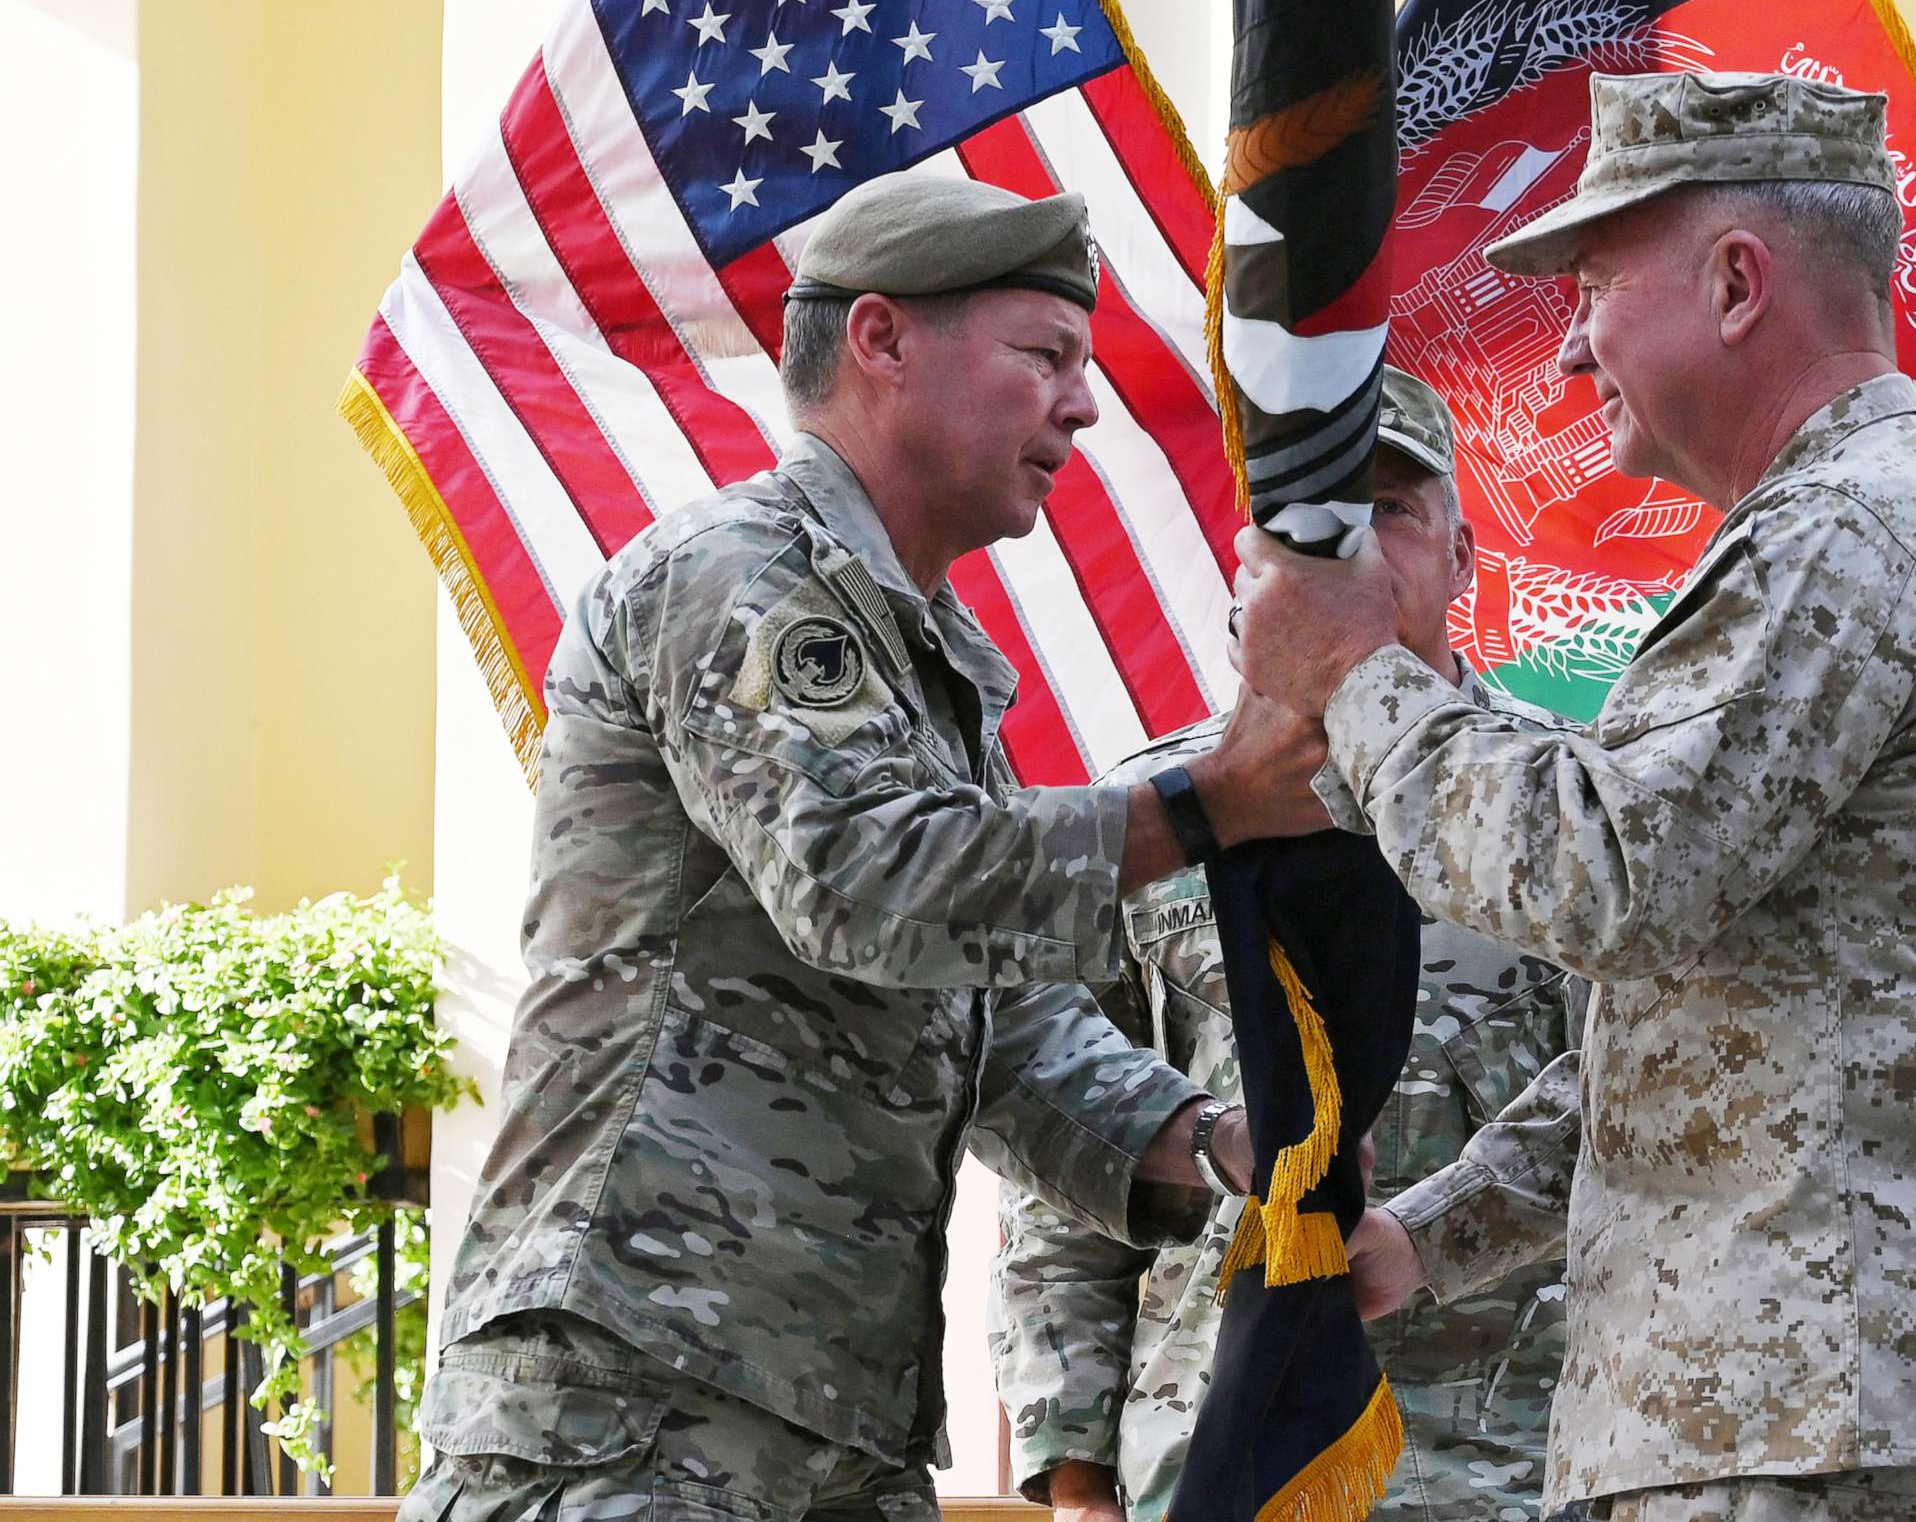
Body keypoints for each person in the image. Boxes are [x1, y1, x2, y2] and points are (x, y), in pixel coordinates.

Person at [1230, 71, 1916, 1521]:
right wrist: (1432, 1233)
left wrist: (1355, 674)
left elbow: (1598, 876)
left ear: (1738, 282)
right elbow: (1723, 1016)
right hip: (1861, 1397)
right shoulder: (1869, 518)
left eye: (1595, 285)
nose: (1567, 356)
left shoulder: (1847, 530)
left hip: (1840, 1409)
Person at [402, 171, 1327, 1522]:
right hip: (640, 1396)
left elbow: (985, 1019)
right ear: (882, 341)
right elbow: (865, 881)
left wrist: (1209, 1138)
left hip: (827, 1416)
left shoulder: (920, 655)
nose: (1080, 403)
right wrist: (1196, 808)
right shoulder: (743, 575)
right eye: (1045, 357)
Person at [990, 373, 1583, 1522]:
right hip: (1212, 1460)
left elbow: (1635, 1123)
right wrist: (1075, 1485)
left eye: (1391, 514)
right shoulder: (1143, 828)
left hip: (1515, 1465)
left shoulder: (1573, 814)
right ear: (1248, 571)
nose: (1349, 555)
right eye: (1310, 526)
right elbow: (1063, 1186)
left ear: (1463, 561)